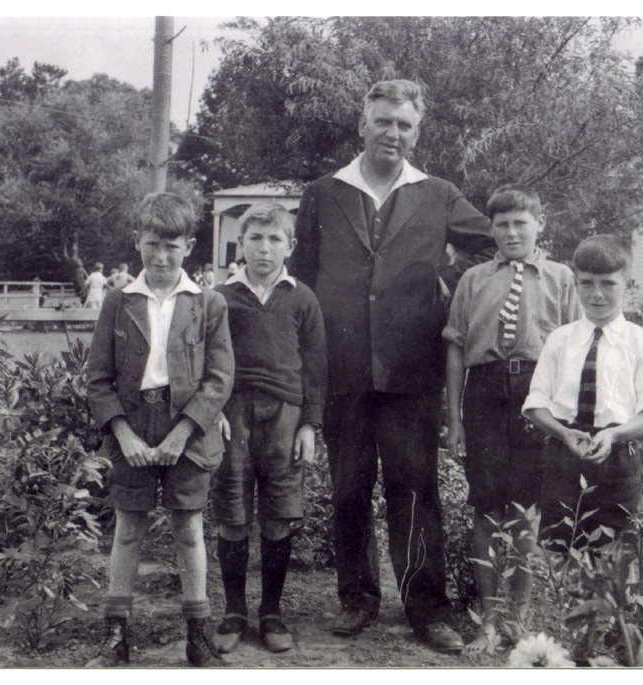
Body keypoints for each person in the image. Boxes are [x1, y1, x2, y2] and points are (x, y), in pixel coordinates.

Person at [291, 79, 494, 653]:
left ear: (416, 132)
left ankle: (427, 608)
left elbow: (488, 247)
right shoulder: (324, 192)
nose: (393, 134)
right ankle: (357, 599)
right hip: (342, 366)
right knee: (348, 487)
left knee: (415, 487)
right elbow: (303, 276)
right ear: (363, 123)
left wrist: (446, 289)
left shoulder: (437, 193)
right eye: (384, 121)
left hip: (412, 368)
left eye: (405, 125)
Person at [87, 192, 234, 667]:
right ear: (137, 243)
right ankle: (116, 636)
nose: (162, 256)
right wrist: (125, 436)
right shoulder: (117, 300)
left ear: (189, 245)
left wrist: (182, 433)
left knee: (189, 528)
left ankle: (198, 636)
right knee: (128, 528)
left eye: (172, 246)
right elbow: (99, 379)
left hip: (187, 429)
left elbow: (218, 379)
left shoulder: (208, 303)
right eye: (152, 245)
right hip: (132, 424)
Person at [442, 185, 581, 655]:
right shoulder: (474, 279)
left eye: (521, 222)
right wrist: (455, 418)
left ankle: (517, 620)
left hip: (537, 395)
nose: (511, 231)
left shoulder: (561, 278)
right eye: (501, 224)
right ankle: (487, 621)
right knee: (485, 509)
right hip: (483, 392)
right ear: (492, 230)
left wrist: (566, 419)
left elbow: (575, 350)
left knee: (525, 514)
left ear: (541, 224)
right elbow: (457, 349)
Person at [212, 202, 328, 654]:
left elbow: (316, 368)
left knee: (279, 514)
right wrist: (214, 413)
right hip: (232, 415)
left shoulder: (302, 297)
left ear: (290, 246)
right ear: (241, 245)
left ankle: (272, 612)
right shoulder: (221, 296)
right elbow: (207, 361)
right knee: (233, 513)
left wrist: (309, 426)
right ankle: (235, 611)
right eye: (255, 239)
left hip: (285, 417)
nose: (264, 248)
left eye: (275, 239)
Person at [523, 234, 643, 552]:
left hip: (617, 456)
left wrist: (615, 435)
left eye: (608, 284)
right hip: (564, 452)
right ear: (575, 283)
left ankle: (608, 603)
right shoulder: (560, 340)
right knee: (562, 549)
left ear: (627, 284)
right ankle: (567, 603)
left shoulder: (641, 342)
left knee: (612, 552)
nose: (597, 294)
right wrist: (562, 432)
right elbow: (536, 403)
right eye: (586, 283)